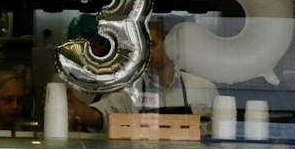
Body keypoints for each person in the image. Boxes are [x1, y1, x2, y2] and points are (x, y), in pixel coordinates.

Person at [69, 16, 216, 130]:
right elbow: (103, 114)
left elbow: (219, 137)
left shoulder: (203, 89)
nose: (147, 52)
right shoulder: (130, 91)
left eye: (152, 44)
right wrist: (79, 111)